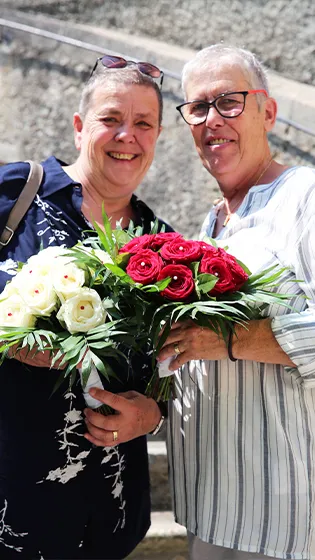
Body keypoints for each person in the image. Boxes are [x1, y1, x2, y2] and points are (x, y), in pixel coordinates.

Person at [85, 44, 315, 560]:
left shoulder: (306, 196)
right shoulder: (209, 227)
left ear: (269, 113)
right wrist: (153, 405)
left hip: (287, 519)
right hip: (210, 513)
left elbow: (222, 343)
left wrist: (235, 339)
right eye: (197, 108)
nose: (213, 120)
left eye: (229, 101)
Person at [0, 55, 171, 560]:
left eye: (143, 123)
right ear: (79, 127)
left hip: (108, 522)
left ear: (157, 137)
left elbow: (173, 370)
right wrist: (13, 340)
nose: (127, 136)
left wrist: (153, 414)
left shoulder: (163, 247)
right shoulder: (16, 195)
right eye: (111, 119)